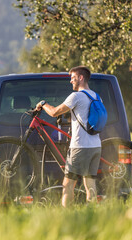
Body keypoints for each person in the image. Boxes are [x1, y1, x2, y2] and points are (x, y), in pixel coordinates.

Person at [35, 66, 101, 207]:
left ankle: (67, 216)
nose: (71, 81)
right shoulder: (96, 96)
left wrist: (43, 103)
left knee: (68, 184)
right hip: (95, 145)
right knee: (90, 181)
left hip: (80, 146)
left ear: (81, 78)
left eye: (73, 77)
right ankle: (92, 212)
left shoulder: (76, 96)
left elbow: (54, 112)